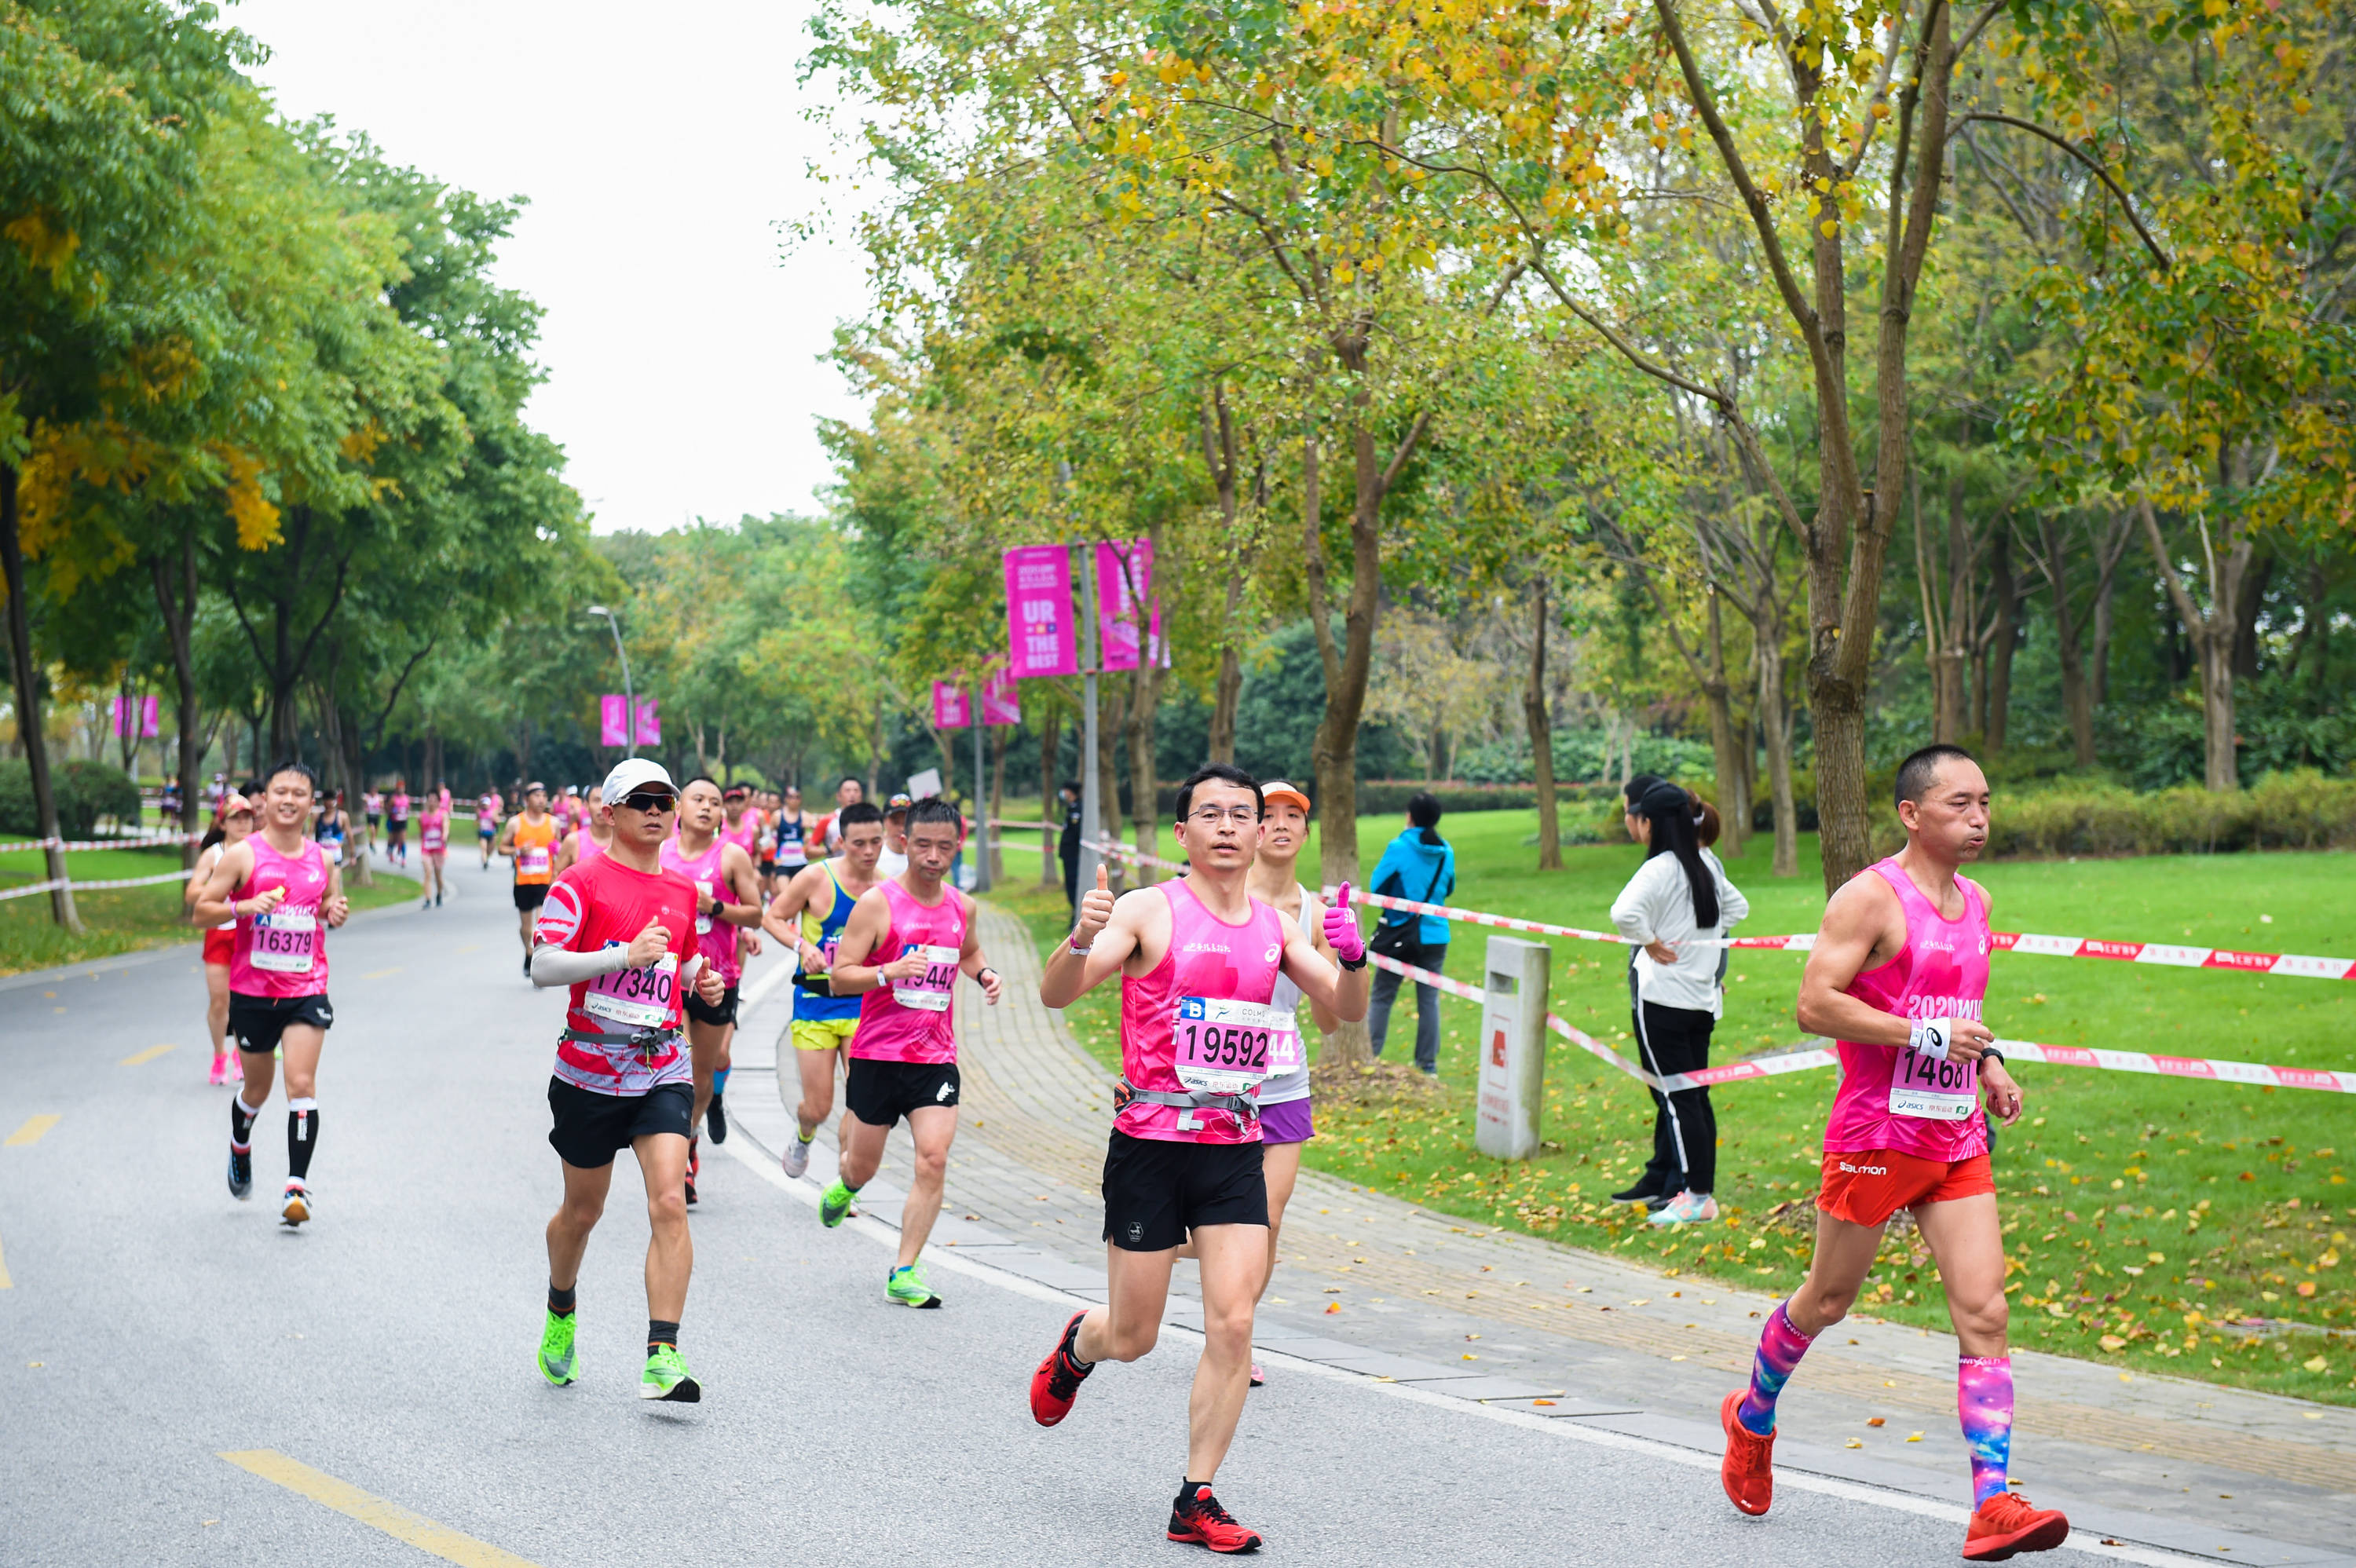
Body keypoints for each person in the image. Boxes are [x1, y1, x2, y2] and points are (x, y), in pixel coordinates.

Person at [1719, 744, 2066, 1562]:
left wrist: (1986, 1061)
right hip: (1877, 1137)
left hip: (1953, 1136)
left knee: (1986, 1312)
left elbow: (1955, 1006)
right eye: (1959, 804)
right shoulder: (1869, 897)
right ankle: (1753, 1410)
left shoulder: (1977, 899)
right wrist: (1925, 1034)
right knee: (1828, 1298)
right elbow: (1814, 1002)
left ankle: (1993, 1503)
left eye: (1985, 801)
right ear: (1913, 814)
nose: (1979, 818)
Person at [1029, 764, 1370, 1553]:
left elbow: (1344, 1009)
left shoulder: (1278, 927)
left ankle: (1197, 1493)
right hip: (1150, 1146)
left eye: (1240, 814)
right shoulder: (1151, 908)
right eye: (1208, 814)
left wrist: (1354, 961)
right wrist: (1078, 938)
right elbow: (1059, 992)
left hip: (1233, 1145)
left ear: (1259, 834)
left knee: (1235, 1317)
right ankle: (1084, 1340)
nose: (1226, 826)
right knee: (1136, 1334)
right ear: (1181, 834)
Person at [529, 758, 724, 1403]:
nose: (656, 810)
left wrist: (702, 978)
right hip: (587, 1073)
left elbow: (681, 957)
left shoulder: (681, 890)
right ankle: (561, 1308)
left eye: (664, 800)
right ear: (608, 812)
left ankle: (662, 1353)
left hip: (659, 1066)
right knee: (582, 1212)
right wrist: (621, 955)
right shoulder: (579, 882)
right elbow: (545, 964)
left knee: (669, 1200)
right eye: (640, 800)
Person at [1176, 778, 1337, 1391]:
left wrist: (1348, 957)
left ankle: (1235, 1335)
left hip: (1284, 1084)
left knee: (1265, 1218)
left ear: (1305, 831)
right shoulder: (1220, 898)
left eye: (1294, 816)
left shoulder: (1314, 913)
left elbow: (1329, 1016)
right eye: (1267, 814)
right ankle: (1159, 1247)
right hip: (1214, 1084)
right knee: (1212, 1222)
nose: (1280, 825)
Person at [818, 798, 1004, 1308]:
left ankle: (904, 1268)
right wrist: (887, 972)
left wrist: (985, 974)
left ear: (958, 846)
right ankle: (845, 1187)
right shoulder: (878, 903)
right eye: (923, 844)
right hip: (877, 1056)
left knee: (933, 1158)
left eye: (944, 846)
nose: (933, 856)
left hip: (935, 1058)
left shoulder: (961, 906)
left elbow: (968, 951)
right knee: (863, 1166)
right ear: (904, 842)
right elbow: (838, 976)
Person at [189, 762, 350, 1227]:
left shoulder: (323, 859)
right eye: (280, 790)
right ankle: (241, 1140)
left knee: (300, 1084)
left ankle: (296, 1187)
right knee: (257, 1090)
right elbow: (202, 910)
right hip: (253, 991)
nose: (288, 799)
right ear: (268, 799)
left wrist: (334, 911)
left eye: (299, 793)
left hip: (306, 986)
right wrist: (244, 906)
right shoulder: (243, 855)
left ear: (310, 802)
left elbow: (325, 906)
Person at [1609, 780, 1749, 1223]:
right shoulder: (1706, 861)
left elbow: (1622, 913)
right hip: (1700, 1000)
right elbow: (1737, 909)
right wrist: (1697, 942)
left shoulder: (1661, 868)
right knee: (1695, 1097)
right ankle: (1698, 1193)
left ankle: (1695, 1196)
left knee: (1678, 1098)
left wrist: (1650, 941)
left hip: (1664, 997)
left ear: (1650, 823)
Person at [762, 800, 886, 1179]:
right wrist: (804, 946)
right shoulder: (816, 878)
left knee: (861, 1099)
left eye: (876, 842)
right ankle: (804, 1134)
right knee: (818, 1107)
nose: (867, 852)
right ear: (840, 841)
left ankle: (846, 1179)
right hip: (815, 1005)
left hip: (864, 1007)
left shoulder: (887, 889)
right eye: (858, 843)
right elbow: (772, 918)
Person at [661, 777, 764, 1198]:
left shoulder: (732, 856)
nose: (706, 807)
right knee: (682, 1067)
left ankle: (690, 1135)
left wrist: (715, 908)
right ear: (679, 807)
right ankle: (676, 1158)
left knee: (704, 1076)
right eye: (697, 799)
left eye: (715, 802)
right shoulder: (660, 852)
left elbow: (756, 914)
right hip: (668, 976)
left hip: (716, 980)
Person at [1365, 791, 1456, 1074]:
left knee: (1382, 996)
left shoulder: (1400, 847)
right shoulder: (1446, 851)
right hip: (1436, 935)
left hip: (1400, 934)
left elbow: (1377, 886)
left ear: (1409, 816)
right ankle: (1428, 1064)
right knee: (1429, 1000)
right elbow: (1449, 888)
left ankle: (1369, 1055)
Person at [187, 792, 257, 1087]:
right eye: (235, 818)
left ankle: (241, 1054)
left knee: (245, 1001)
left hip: (251, 934)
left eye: (247, 817)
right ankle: (219, 1055)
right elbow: (192, 893)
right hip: (220, 933)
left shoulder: (260, 851)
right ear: (223, 823)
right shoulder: (213, 854)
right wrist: (221, 892)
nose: (242, 823)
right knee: (220, 1001)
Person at [495, 783, 559, 978]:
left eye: (544, 795)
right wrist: (517, 851)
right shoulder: (516, 823)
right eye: (537, 795)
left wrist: (557, 850)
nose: (542, 800)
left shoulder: (553, 823)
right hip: (523, 881)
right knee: (526, 928)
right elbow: (501, 848)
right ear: (527, 799)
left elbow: (560, 847)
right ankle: (529, 952)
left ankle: (538, 961)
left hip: (545, 880)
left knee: (540, 923)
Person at [554, 787, 610, 875]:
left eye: (607, 800)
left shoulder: (624, 842)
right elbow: (556, 876)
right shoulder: (573, 841)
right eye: (596, 800)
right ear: (586, 805)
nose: (602, 806)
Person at [771, 782, 814, 897]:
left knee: (799, 896)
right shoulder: (777, 816)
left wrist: (809, 831)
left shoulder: (806, 816)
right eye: (791, 797)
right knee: (785, 895)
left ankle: (794, 916)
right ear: (786, 799)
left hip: (800, 861)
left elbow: (812, 839)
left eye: (797, 797)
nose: (794, 800)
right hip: (783, 862)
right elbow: (770, 837)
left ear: (800, 799)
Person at [418, 795, 450, 908]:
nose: (431, 803)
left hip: (438, 849)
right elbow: (421, 832)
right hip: (426, 848)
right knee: (427, 873)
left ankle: (439, 894)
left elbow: (446, 828)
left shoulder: (443, 815)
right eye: (430, 800)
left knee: (438, 875)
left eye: (434, 800)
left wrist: (444, 837)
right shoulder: (421, 816)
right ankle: (427, 899)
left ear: (438, 802)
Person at [818, 775, 863, 854]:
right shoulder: (827, 820)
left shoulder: (869, 820)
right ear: (838, 796)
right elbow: (809, 851)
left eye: (856, 791)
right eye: (847, 791)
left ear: (861, 795)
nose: (852, 794)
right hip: (835, 866)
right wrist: (830, 848)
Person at [1057, 780, 1083, 912]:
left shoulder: (1078, 808)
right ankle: (1075, 912)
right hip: (1069, 854)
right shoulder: (1072, 807)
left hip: (1074, 855)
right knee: (1070, 885)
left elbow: (1077, 833)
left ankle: (1076, 913)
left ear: (1069, 791)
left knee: (1073, 884)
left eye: (1065, 790)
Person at [877, 793, 913, 878]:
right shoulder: (875, 857)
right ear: (884, 822)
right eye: (895, 822)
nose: (901, 828)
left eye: (906, 822)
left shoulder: (920, 857)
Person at [477, 788, 503, 870]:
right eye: (484, 804)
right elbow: (477, 821)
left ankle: (488, 858)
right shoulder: (480, 812)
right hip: (483, 833)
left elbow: (498, 821)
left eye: (486, 804)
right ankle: (485, 862)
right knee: (483, 849)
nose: (485, 805)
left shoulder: (494, 811)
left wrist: (495, 819)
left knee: (490, 849)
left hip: (491, 832)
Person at [386, 780, 410, 867]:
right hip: (394, 821)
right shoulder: (393, 798)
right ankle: (391, 852)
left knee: (402, 839)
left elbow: (408, 809)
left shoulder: (407, 798)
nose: (401, 790)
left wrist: (405, 814)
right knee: (394, 839)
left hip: (403, 821)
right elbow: (388, 809)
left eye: (402, 788)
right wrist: (394, 811)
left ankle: (403, 858)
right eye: (399, 788)